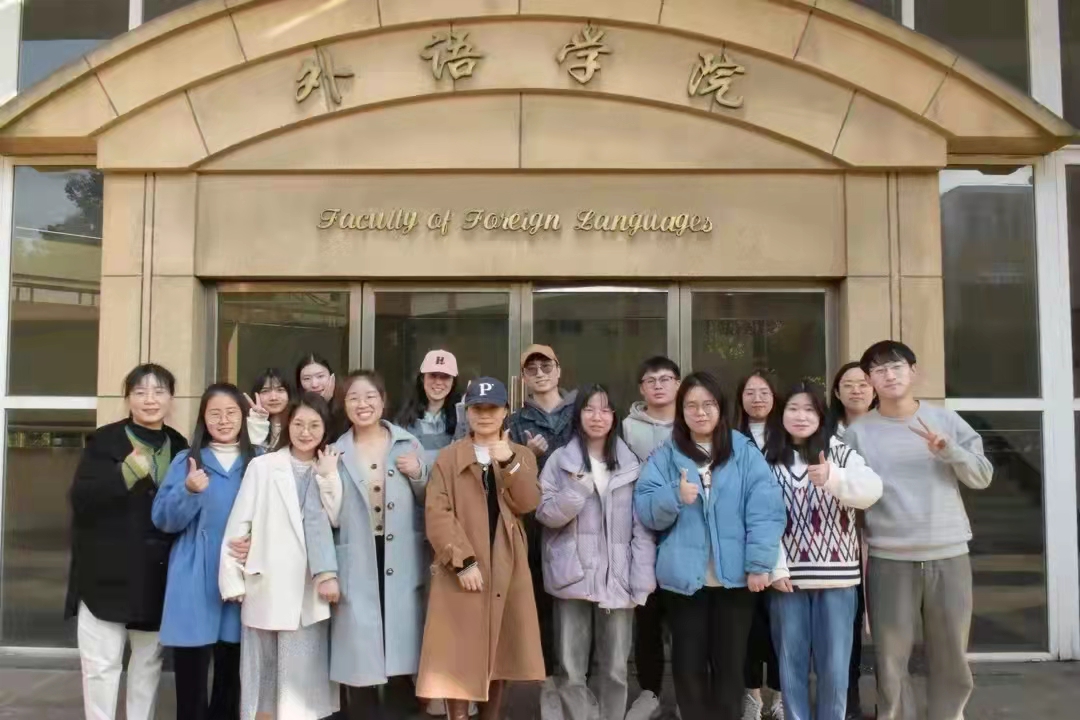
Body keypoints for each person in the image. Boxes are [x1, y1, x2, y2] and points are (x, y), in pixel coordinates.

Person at [843, 341, 993, 720]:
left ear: (913, 371)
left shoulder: (946, 421)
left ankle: (949, 714)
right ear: (871, 381)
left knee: (951, 651)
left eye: (896, 367)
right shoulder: (858, 432)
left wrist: (949, 450)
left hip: (949, 552)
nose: (889, 375)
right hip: (889, 556)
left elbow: (982, 476)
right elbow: (847, 491)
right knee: (891, 654)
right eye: (879, 370)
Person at [634, 372, 786, 720]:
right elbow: (644, 509)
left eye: (708, 404)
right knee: (687, 666)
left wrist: (759, 564)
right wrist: (674, 496)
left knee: (730, 667)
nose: (700, 412)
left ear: (721, 408)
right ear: (681, 410)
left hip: (735, 580)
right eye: (691, 405)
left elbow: (766, 510)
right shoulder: (666, 455)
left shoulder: (743, 451)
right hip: (683, 581)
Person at [65, 364, 189, 720]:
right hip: (105, 576)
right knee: (101, 666)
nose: (150, 399)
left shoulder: (179, 445)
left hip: (156, 577)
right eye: (140, 392)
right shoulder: (105, 441)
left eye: (159, 391)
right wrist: (127, 471)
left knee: (147, 665)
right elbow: (82, 499)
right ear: (128, 398)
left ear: (171, 398)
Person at [417, 377, 544, 720]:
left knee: (499, 653)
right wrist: (462, 561)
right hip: (461, 568)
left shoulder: (521, 455)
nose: (485, 415)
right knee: (456, 652)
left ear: (505, 412)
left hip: (506, 565)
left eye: (492, 408)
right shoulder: (449, 457)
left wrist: (509, 463)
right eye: (477, 409)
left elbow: (528, 502)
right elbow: (437, 512)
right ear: (467, 413)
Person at [219, 393, 342, 720]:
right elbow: (239, 525)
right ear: (288, 425)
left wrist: (328, 476)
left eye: (314, 425)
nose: (305, 432)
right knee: (263, 680)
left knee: (302, 686)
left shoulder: (330, 465)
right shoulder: (263, 466)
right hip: (267, 586)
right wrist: (232, 580)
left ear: (325, 428)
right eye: (299, 424)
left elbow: (337, 518)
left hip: (308, 589)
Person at [764, 381, 883, 720]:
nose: (801, 416)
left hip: (838, 579)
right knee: (791, 665)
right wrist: (775, 567)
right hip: (787, 579)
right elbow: (759, 519)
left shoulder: (839, 452)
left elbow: (872, 491)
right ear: (781, 414)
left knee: (835, 667)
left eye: (809, 410)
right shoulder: (767, 459)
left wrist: (833, 477)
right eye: (793, 409)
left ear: (821, 416)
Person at [537, 384, 656, 720]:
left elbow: (642, 527)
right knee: (570, 668)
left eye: (604, 409)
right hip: (572, 573)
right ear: (578, 416)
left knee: (616, 668)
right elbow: (544, 513)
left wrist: (641, 576)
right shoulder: (560, 461)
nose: (597, 417)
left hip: (618, 575)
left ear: (614, 416)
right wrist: (575, 491)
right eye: (589, 409)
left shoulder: (630, 463)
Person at [323, 370, 429, 720]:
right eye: (353, 397)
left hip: (401, 555)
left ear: (383, 401)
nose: (362, 404)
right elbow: (324, 514)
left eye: (370, 396)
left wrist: (418, 473)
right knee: (360, 651)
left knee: (400, 646)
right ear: (344, 404)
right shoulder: (335, 451)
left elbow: (431, 500)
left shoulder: (408, 443)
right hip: (357, 556)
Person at [152, 383, 257, 720]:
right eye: (215, 414)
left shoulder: (257, 462)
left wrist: (256, 543)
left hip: (240, 577)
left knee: (231, 677)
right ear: (203, 418)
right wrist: (187, 490)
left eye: (231, 413)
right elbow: (163, 519)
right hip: (194, 573)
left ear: (243, 417)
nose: (223, 421)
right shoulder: (188, 461)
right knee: (191, 679)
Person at [507, 344, 578, 693]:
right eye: (531, 369)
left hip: (580, 519)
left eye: (546, 366)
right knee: (540, 601)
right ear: (524, 378)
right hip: (534, 524)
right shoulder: (514, 422)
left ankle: (579, 683)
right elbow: (504, 476)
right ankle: (547, 682)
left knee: (579, 602)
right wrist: (526, 455)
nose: (540, 373)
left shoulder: (581, 412)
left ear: (559, 370)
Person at [621, 356, 681, 720]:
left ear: (678, 384)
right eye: (651, 380)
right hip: (641, 532)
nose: (658, 385)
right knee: (646, 619)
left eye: (665, 379)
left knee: (686, 621)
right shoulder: (627, 428)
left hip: (684, 532)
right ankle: (650, 693)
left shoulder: (691, 421)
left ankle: (689, 694)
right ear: (641, 388)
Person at [827, 361, 876, 720]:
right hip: (840, 540)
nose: (856, 390)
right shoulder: (827, 432)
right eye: (848, 384)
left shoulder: (886, 428)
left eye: (863, 383)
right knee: (848, 624)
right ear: (836, 391)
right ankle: (848, 703)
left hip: (885, 534)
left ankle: (891, 703)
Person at [734, 370, 783, 720]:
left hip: (788, 542)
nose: (757, 398)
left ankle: (781, 695)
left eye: (764, 391)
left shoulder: (789, 434)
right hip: (744, 541)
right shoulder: (731, 437)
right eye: (750, 392)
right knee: (748, 626)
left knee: (782, 625)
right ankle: (751, 696)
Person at [395, 349, 465, 467]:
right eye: (433, 375)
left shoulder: (462, 419)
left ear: (453, 381)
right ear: (422, 378)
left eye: (445, 377)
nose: (438, 382)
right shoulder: (403, 420)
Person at [297, 353, 348, 439]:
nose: (314, 384)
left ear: (331, 377)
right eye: (307, 379)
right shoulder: (297, 408)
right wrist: (322, 402)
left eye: (320, 376)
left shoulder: (346, 405)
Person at [247, 368, 294, 451]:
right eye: (265, 391)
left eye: (280, 390)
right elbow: (254, 453)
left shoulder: (298, 423)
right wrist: (258, 420)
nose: (273, 397)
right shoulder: (250, 423)